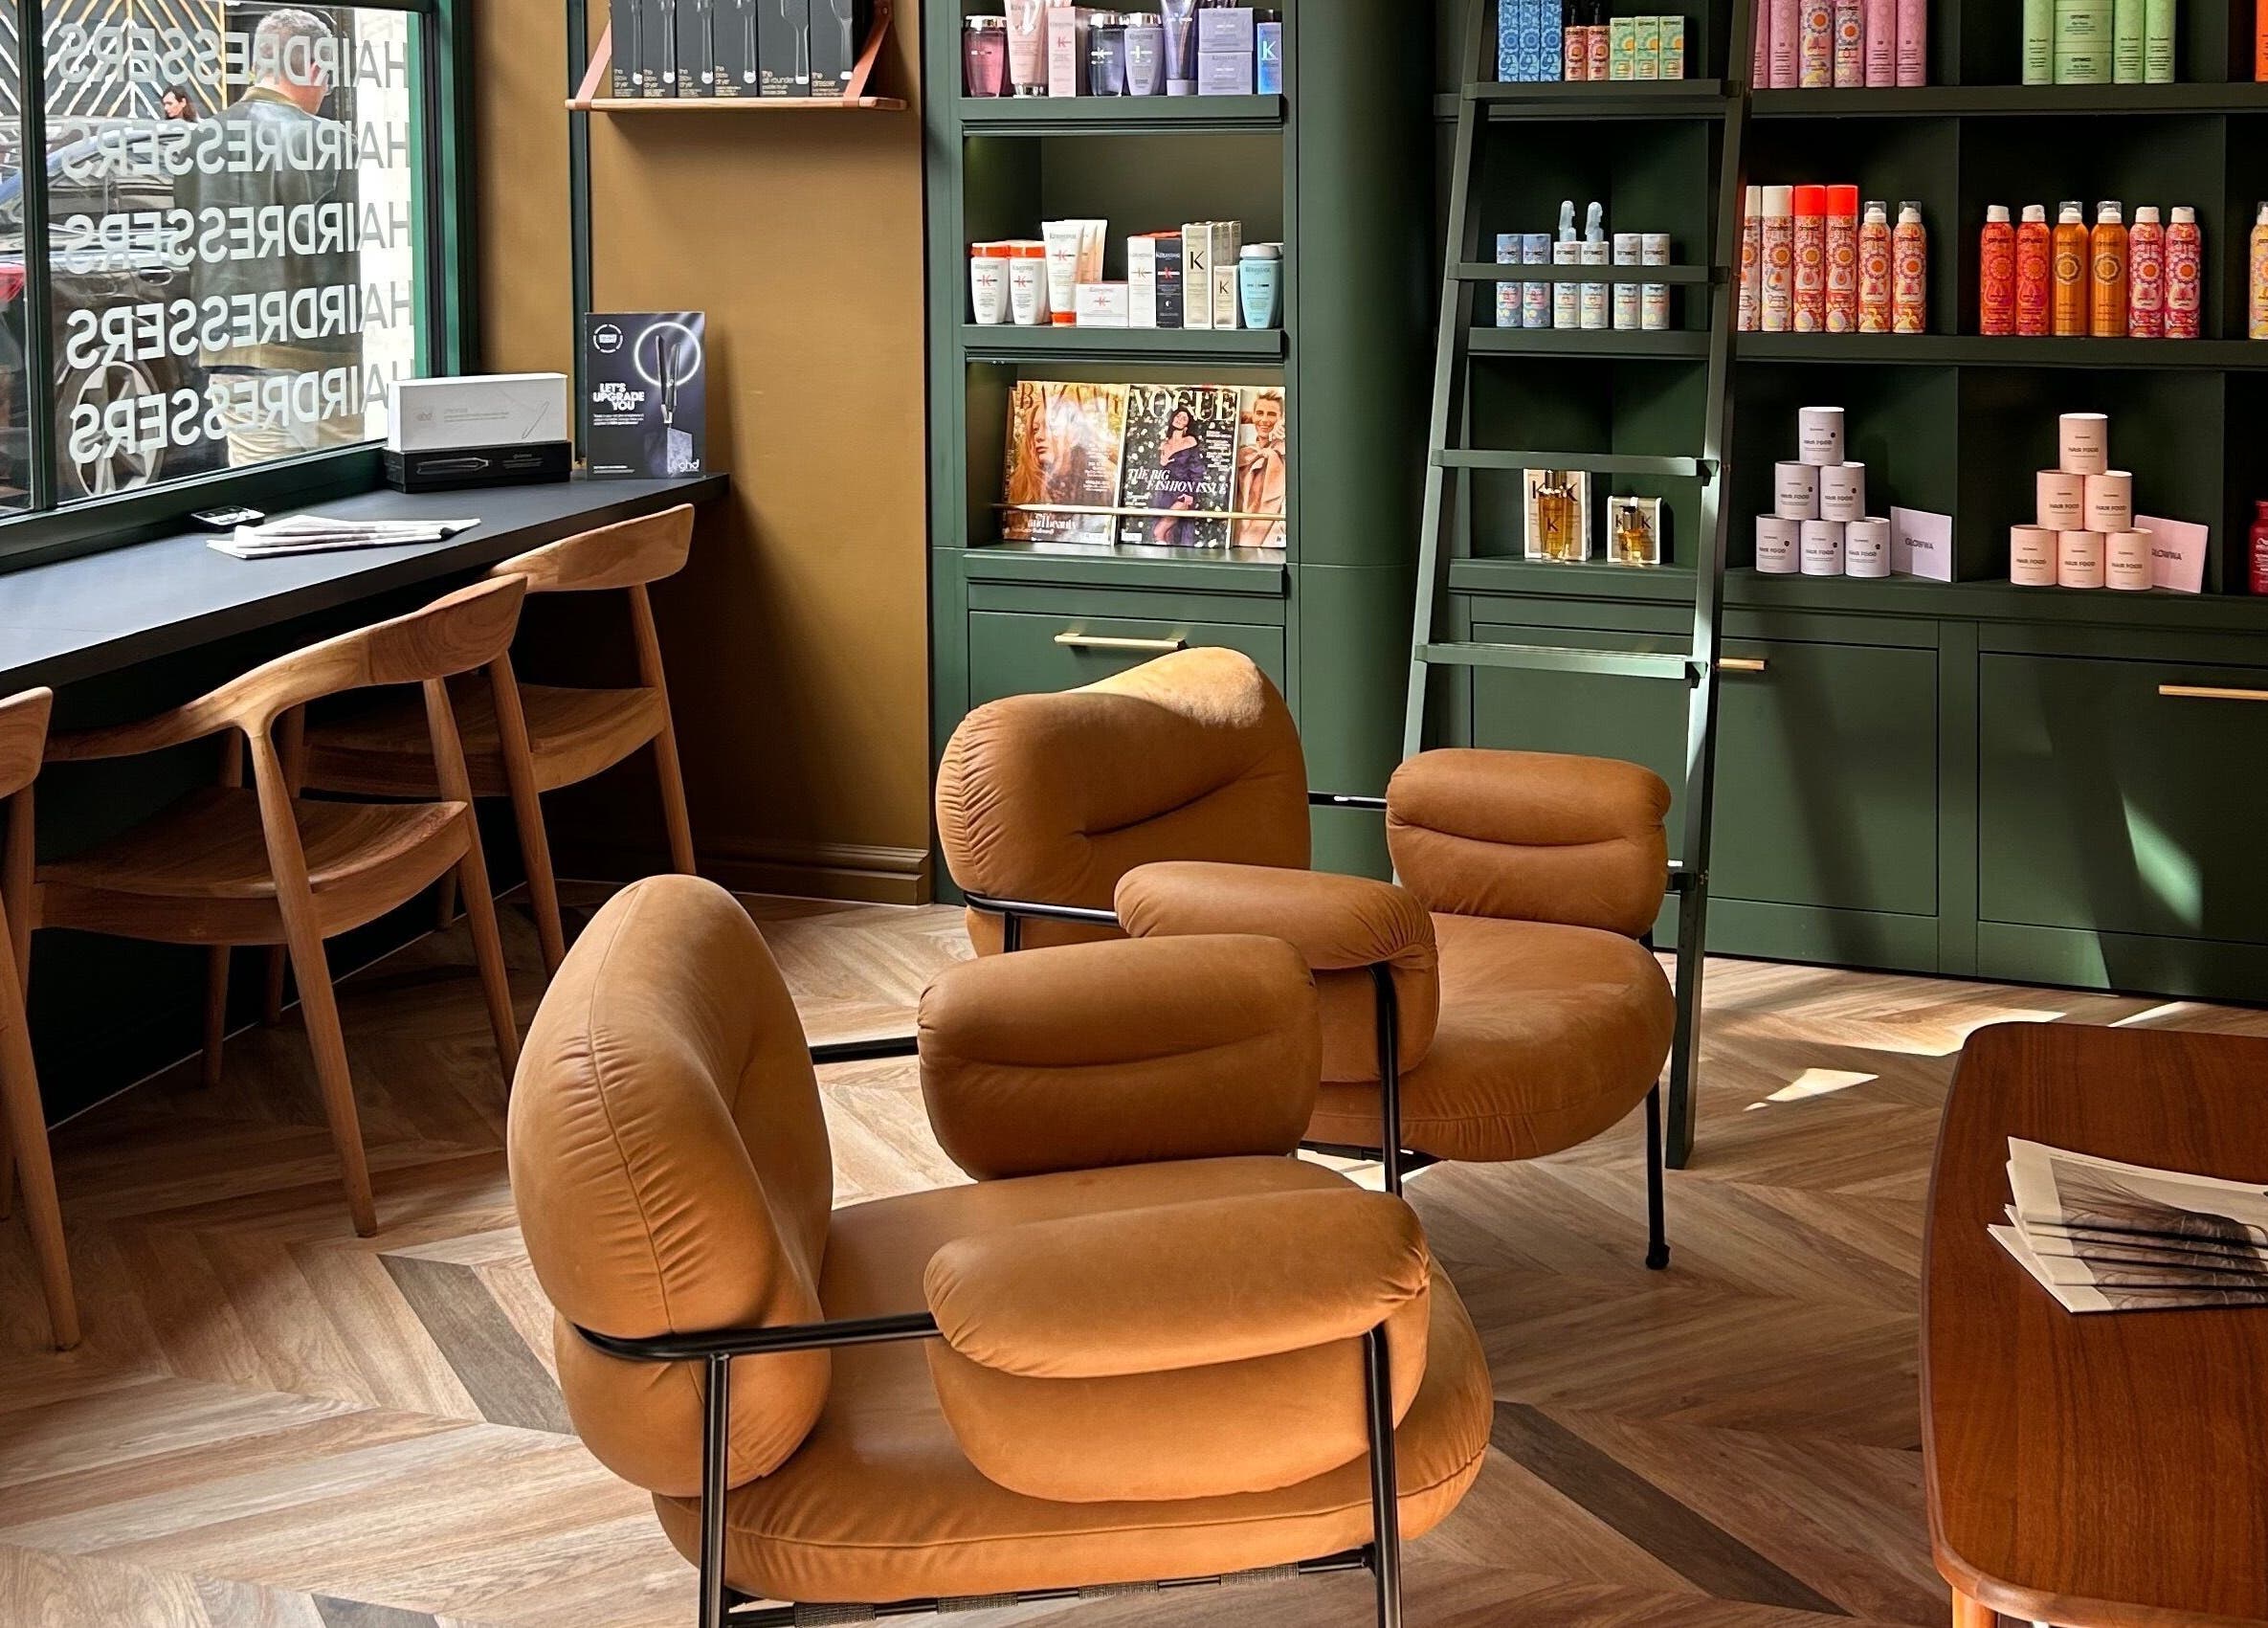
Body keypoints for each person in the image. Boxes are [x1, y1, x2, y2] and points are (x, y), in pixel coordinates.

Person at [179, 10, 365, 467]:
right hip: (316, 353)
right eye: (328, 76)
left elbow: (192, 239)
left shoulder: (201, 139)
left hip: (227, 349)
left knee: (259, 483)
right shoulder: (329, 141)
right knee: (343, 486)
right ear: (314, 67)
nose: (326, 90)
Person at [1234, 389, 1287, 548]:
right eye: (1259, 413)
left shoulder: (1287, 452)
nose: (1264, 419)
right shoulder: (1243, 453)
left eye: (1271, 414)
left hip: (1272, 537)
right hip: (1240, 532)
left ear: (1281, 418)